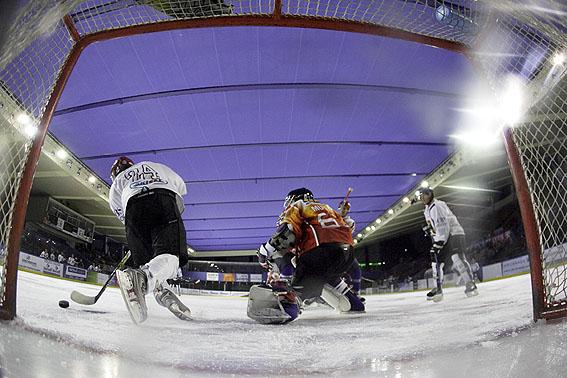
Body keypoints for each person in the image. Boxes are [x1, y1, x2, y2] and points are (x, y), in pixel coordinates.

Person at [249, 188, 365, 324]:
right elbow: (349, 227)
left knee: (297, 293)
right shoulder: (328, 209)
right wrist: (344, 216)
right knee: (327, 276)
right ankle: (355, 303)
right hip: (346, 254)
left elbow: (287, 232)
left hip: (319, 253)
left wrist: (264, 251)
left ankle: (287, 307)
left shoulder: (298, 206)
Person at [109, 156, 192, 324]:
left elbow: (123, 217)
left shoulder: (116, 184)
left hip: (132, 210)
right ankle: (145, 280)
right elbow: (181, 187)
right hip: (163, 201)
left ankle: (159, 290)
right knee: (170, 257)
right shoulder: (154, 165)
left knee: (148, 264)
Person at [420, 187, 478, 302]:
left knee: (457, 258)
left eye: (424, 195)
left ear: (430, 195)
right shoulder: (427, 209)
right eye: (421, 196)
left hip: (453, 234)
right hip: (443, 236)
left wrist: (439, 242)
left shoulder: (437, 206)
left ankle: (470, 283)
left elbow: (444, 225)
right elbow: (436, 226)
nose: (422, 198)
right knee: (435, 260)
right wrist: (430, 231)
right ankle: (438, 288)